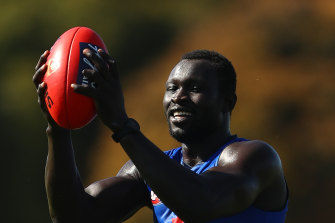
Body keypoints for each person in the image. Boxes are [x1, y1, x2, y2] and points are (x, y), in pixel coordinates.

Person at [33, 48, 288, 223]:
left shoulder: (257, 158)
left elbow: (200, 202)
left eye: (195, 88)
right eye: (172, 88)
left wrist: (122, 124)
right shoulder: (148, 169)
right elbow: (74, 217)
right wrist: (58, 126)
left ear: (227, 102)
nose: (178, 97)